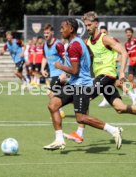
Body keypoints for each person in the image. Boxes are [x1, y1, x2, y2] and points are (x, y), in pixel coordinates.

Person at [64, 11, 136, 144]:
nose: (87, 27)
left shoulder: (105, 38)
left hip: (107, 75)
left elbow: (124, 53)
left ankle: (80, 133)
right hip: (101, 78)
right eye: (86, 25)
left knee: (84, 95)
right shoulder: (88, 42)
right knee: (120, 108)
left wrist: (122, 73)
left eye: (89, 24)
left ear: (96, 24)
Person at [43, 18, 123, 151]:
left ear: (71, 29)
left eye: (63, 27)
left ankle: (114, 130)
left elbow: (74, 70)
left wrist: (60, 66)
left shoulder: (74, 45)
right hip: (74, 83)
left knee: (81, 118)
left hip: (82, 86)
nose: (61, 30)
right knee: (53, 105)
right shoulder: (78, 42)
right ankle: (59, 140)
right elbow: (90, 55)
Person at [97, 26, 136, 107]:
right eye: (101, 32)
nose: (103, 34)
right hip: (104, 66)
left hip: (111, 66)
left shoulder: (112, 39)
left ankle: (106, 100)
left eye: (104, 32)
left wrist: (119, 58)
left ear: (107, 32)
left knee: (107, 83)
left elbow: (122, 51)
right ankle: (131, 95)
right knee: (116, 83)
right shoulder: (100, 41)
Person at [40, 24, 65, 118]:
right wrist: (42, 69)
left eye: (47, 33)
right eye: (44, 33)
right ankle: (60, 109)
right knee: (64, 94)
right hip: (53, 74)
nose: (46, 35)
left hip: (60, 73)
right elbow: (44, 57)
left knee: (49, 91)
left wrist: (64, 73)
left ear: (52, 33)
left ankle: (58, 111)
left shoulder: (58, 44)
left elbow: (66, 58)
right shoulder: (44, 45)